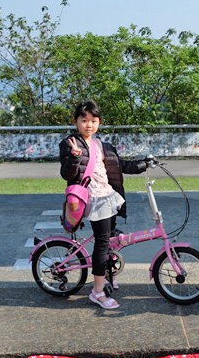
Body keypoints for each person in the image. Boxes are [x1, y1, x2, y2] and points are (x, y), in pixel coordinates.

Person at [59, 99, 148, 309]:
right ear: (75, 122)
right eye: (84, 120)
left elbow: (120, 166)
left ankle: (106, 277)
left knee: (110, 240)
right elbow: (66, 174)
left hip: (108, 196)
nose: (89, 125)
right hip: (92, 199)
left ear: (99, 122)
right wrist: (74, 158)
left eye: (93, 120)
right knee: (102, 244)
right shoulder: (70, 144)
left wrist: (144, 164)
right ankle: (97, 292)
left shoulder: (101, 145)